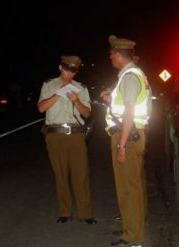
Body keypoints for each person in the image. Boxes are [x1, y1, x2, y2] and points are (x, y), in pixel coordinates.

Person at [100, 35, 152, 247]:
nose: (110, 57)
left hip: (127, 137)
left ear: (118, 55)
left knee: (128, 189)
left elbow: (129, 110)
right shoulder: (131, 75)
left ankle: (133, 237)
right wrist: (111, 98)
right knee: (133, 186)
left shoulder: (130, 76)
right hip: (130, 135)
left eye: (111, 53)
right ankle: (132, 228)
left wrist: (121, 144)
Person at [38, 55, 97, 224]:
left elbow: (86, 113)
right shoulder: (49, 85)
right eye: (67, 69)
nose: (69, 73)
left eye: (73, 70)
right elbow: (41, 108)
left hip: (77, 135)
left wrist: (75, 100)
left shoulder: (81, 88)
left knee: (81, 174)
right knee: (60, 175)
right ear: (60, 67)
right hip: (55, 135)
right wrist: (59, 94)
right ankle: (64, 212)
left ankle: (86, 214)